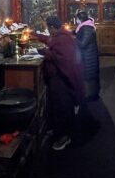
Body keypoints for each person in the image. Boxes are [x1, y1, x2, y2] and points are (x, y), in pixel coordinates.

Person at [34, 16, 84, 151]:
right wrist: (35, 35)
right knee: (58, 106)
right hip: (58, 78)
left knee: (63, 107)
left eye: (47, 28)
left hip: (62, 79)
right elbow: (50, 40)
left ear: (51, 27)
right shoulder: (60, 34)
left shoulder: (63, 38)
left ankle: (65, 136)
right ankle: (58, 130)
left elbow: (61, 58)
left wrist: (45, 52)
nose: (47, 31)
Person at [74, 11, 100, 101]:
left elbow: (83, 44)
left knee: (89, 77)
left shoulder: (87, 28)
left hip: (89, 56)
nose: (76, 21)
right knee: (88, 76)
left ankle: (91, 96)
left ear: (80, 19)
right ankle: (89, 95)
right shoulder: (84, 26)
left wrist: (74, 39)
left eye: (77, 19)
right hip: (87, 55)